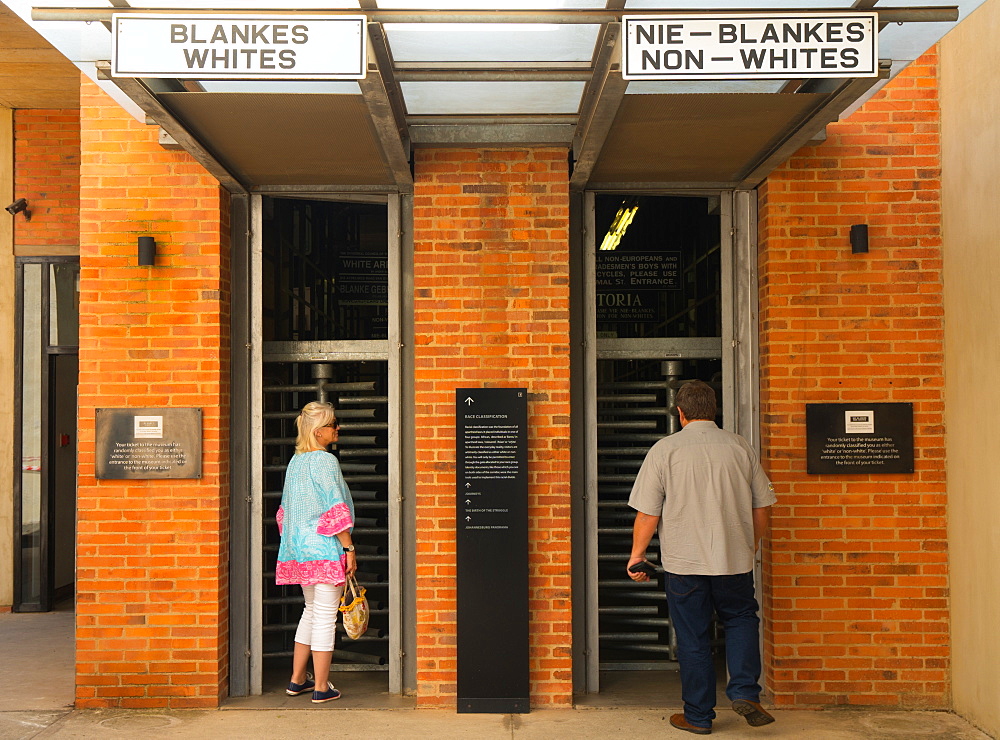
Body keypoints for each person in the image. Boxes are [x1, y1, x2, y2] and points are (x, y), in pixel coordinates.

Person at [627, 380, 776, 735]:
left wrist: (637, 557)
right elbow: (762, 507)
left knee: (693, 638)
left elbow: (648, 514)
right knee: (741, 620)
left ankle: (698, 716)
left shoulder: (665, 450)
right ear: (713, 409)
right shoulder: (741, 448)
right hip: (734, 562)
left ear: (680, 412)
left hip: (685, 565)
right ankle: (744, 691)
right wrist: (750, 545)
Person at [276, 401, 357, 704]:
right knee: (324, 617)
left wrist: (296, 542)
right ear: (319, 430)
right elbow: (334, 508)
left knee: (310, 612)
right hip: (324, 548)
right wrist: (348, 547)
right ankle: (322, 687)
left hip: (299, 550)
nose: (338, 428)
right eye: (334, 423)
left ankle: (298, 680)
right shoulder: (324, 461)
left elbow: (284, 513)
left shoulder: (296, 462)